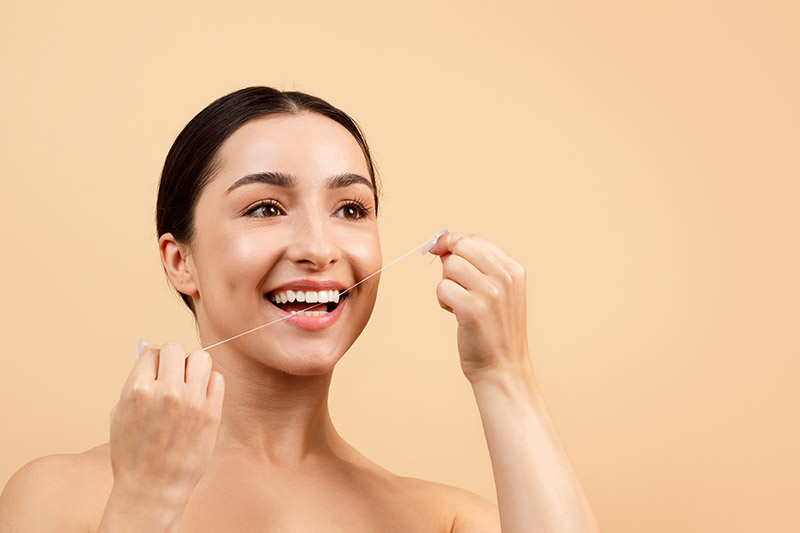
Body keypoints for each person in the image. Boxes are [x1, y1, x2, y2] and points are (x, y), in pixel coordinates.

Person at [0, 87, 601, 532]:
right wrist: (144, 504)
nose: (319, 248)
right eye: (265, 208)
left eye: (350, 209)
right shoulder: (60, 499)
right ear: (179, 260)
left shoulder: (447, 521)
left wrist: (506, 376)